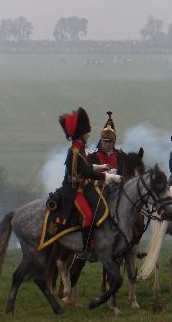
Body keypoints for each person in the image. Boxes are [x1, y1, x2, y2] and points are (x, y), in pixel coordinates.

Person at [58, 107, 122, 251]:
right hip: (75, 190)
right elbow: (86, 172)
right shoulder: (75, 151)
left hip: (83, 186)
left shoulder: (79, 148)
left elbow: (84, 167)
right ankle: (86, 248)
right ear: (81, 134)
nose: (88, 134)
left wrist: (101, 167)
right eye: (86, 133)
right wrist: (109, 177)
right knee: (88, 216)